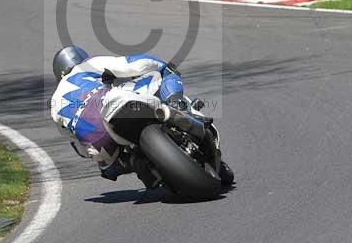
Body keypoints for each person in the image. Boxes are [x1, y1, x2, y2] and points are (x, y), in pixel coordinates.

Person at [50, 45, 233, 187]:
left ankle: (141, 165)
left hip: (100, 147)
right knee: (162, 71)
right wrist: (161, 64)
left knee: (110, 169)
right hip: (111, 104)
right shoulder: (87, 66)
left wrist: (104, 164)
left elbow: (79, 149)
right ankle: (179, 105)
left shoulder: (54, 103)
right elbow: (135, 64)